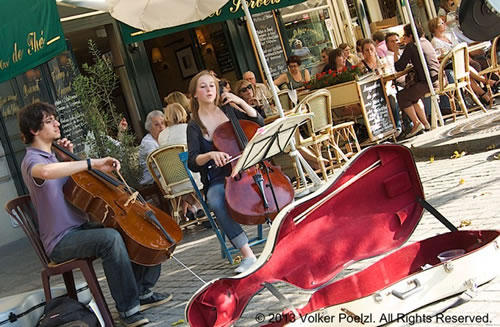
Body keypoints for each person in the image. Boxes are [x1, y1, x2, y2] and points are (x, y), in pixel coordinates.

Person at [18, 102, 171, 327]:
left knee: (133, 228)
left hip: (78, 229)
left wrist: (69, 160)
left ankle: (142, 292)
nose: (57, 123)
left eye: (55, 118)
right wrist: (90, 163)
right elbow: (46, 173)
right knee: (110, 239)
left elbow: (74, 188)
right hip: (61, 240)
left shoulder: (53, 156)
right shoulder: (33, 160)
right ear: (34, 130)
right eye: (49, 121)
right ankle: (128, 311)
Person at [186, 70, 262, 274]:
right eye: (203, 86)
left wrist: (239, 101)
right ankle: (248, 255)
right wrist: (210, 155)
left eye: (211, 85)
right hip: (219, 178)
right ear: (194, 94)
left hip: (245, 168)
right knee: (216, 200)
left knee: (268, 186)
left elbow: (258, 123)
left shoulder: (228, 112)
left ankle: (283, 235)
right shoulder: (194, 125)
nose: (208, 89)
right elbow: (193, 161)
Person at [158, 103, 204, 221]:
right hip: (193, 178)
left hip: (172, 184)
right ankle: (200, 206)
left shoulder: (161, 135)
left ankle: (194, 207)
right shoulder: (189, 128)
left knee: (180, 183)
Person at [394, 24, 437, 137]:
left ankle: (416, 123)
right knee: (411, 93)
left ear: (411, 36)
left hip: (428, 84)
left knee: (401, 96)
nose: (404, 39)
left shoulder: (412, 46)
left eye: (405, 36)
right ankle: (425, 124)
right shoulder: (426, 42)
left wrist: (395, 51)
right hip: (439, 80)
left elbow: (399, 67)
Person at [139, 110, 166, 186]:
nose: (161, 127)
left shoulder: (164, 138)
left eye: (163, 123)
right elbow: (159, 161)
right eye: (156, 124)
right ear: (149, 128)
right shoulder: (148, 143)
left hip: (164, 175)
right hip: (152, 178)